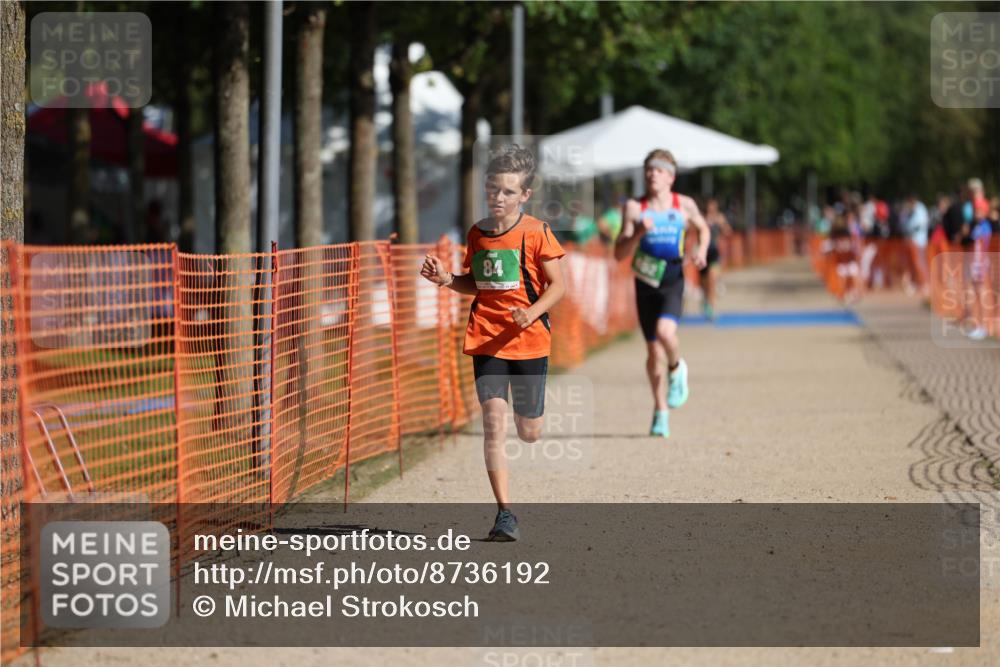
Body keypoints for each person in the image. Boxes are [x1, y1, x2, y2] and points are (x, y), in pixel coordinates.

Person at [420, 145, 565, 541]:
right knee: (493, 424)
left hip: (530, 342)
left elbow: (558, 287)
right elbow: (476, 283)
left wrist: (531, 313)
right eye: (492, 190)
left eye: (507, 192)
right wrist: (448, 279)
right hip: (486, 340)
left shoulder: (537, 233)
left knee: (528, 431)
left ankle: (531, 423)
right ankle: (505, 513)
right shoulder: (478, 234)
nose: (498, 198)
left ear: (524, 196)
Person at [613, 149, 709, 438]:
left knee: (666, 334)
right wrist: (638, 232)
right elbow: (619, 253)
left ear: (671, 176)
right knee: (652, 350)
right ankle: (660, 410)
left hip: (672, 277)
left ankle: (677, 369)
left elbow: (704, 230)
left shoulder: (684, 205)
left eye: (658, 170)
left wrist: (701, 250)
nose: (652, 174)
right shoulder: (634, 208)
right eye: (649, 170)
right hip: (644, 281)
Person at [699, 197, 733, 320]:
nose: (711, 208)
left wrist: (722, 225)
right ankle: (705, 300)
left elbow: (728, 232)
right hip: (702, 254)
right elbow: (690, 231)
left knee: (712, 281)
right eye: (709, 205)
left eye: (714, 206)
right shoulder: (701, 217)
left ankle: (711, 309)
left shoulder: (719, 217)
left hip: (714, 253)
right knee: (704, 284)